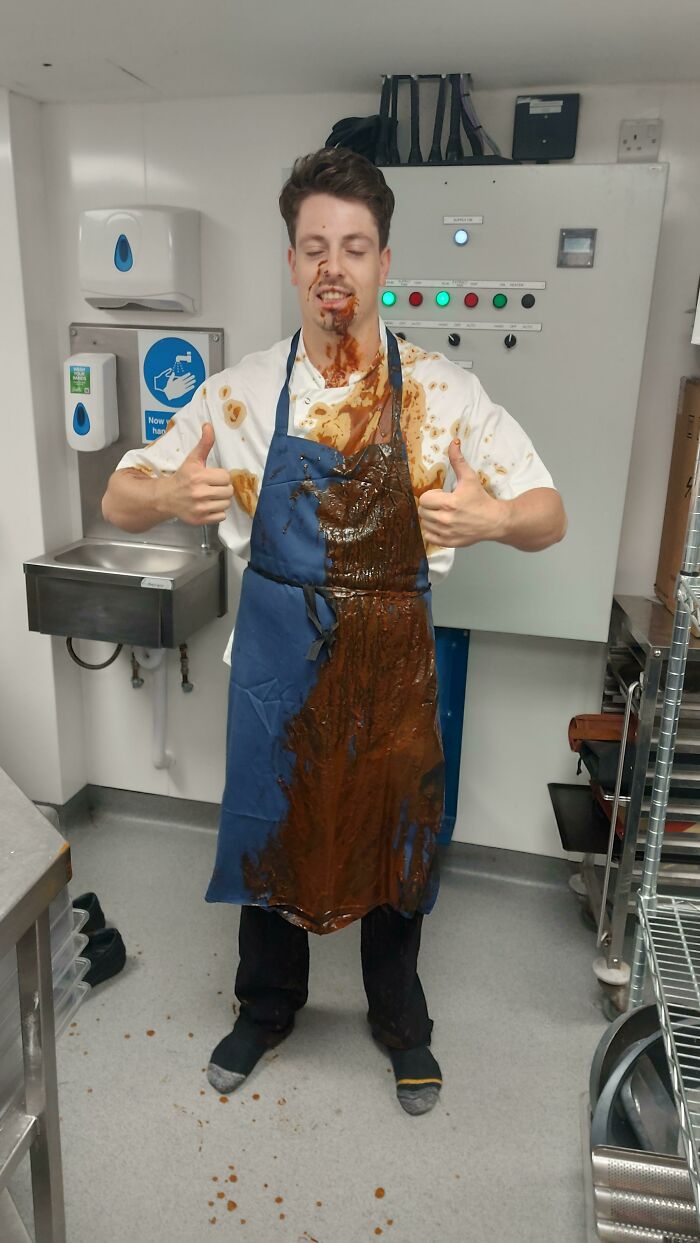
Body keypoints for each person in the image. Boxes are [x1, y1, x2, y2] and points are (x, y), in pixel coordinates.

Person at [102, 148, 566, 1117]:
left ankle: (401, 1019)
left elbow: (546, 513)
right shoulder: (239, 391)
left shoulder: (443, 391)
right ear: (291, 263)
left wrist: (489, 520)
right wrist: (164, 493)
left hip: (394, 660)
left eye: (353, 246)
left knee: (397, 839)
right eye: (314, 245)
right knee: (274, 829)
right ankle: (267, 1007)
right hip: (278, 656)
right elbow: (120, 492)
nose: (333, 266)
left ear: (384, 262)